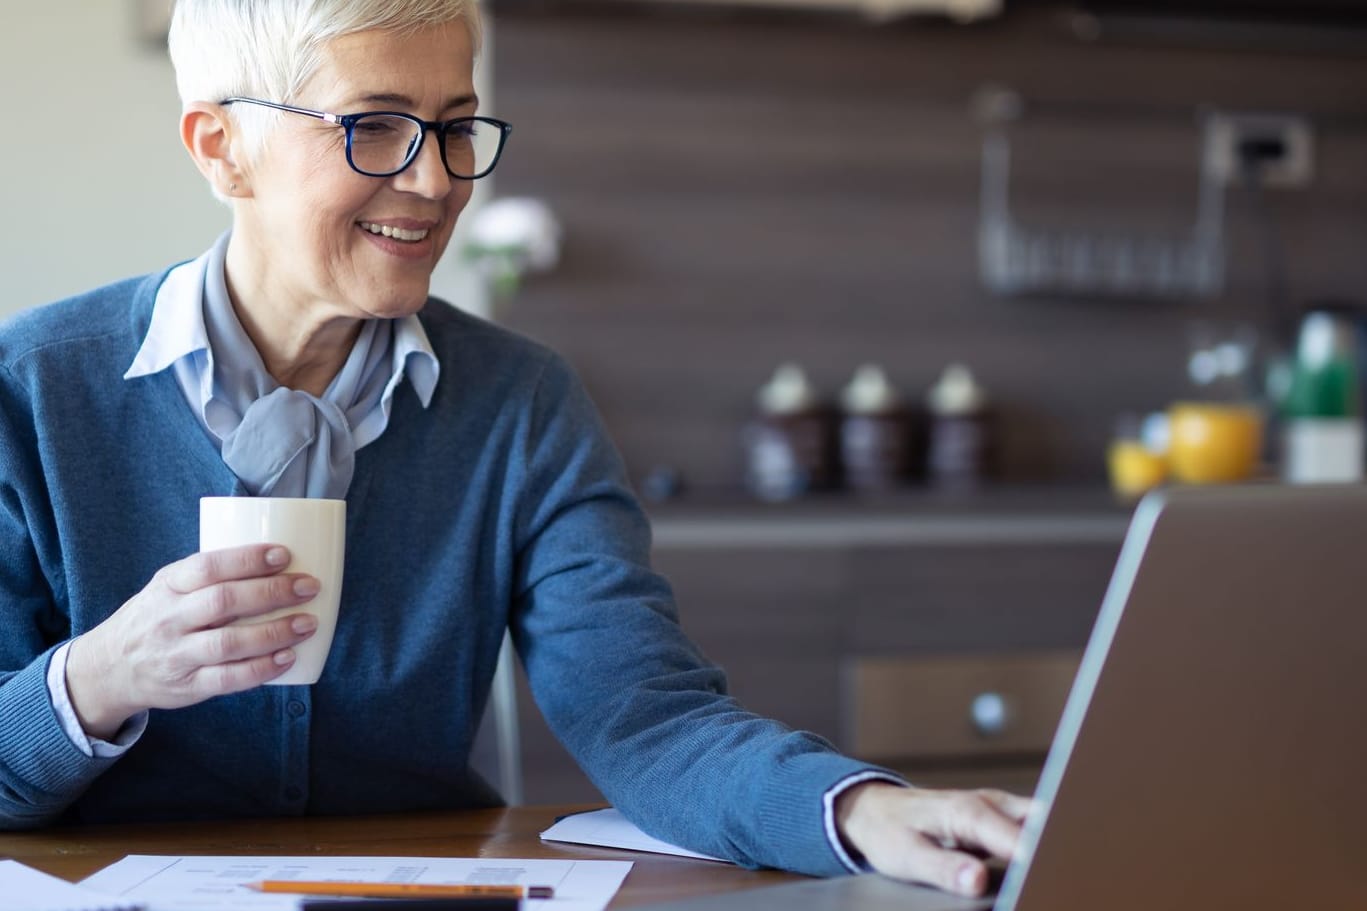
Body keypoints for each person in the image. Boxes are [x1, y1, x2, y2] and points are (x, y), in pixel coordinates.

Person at [0, 0, 1028, 895]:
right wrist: (97, 676)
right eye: (373, 127)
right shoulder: (33, 389)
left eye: (454, 128)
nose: (434, 180)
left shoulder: (519, 401)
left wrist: (854, 808)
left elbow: (643, 714)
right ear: (221, 148)